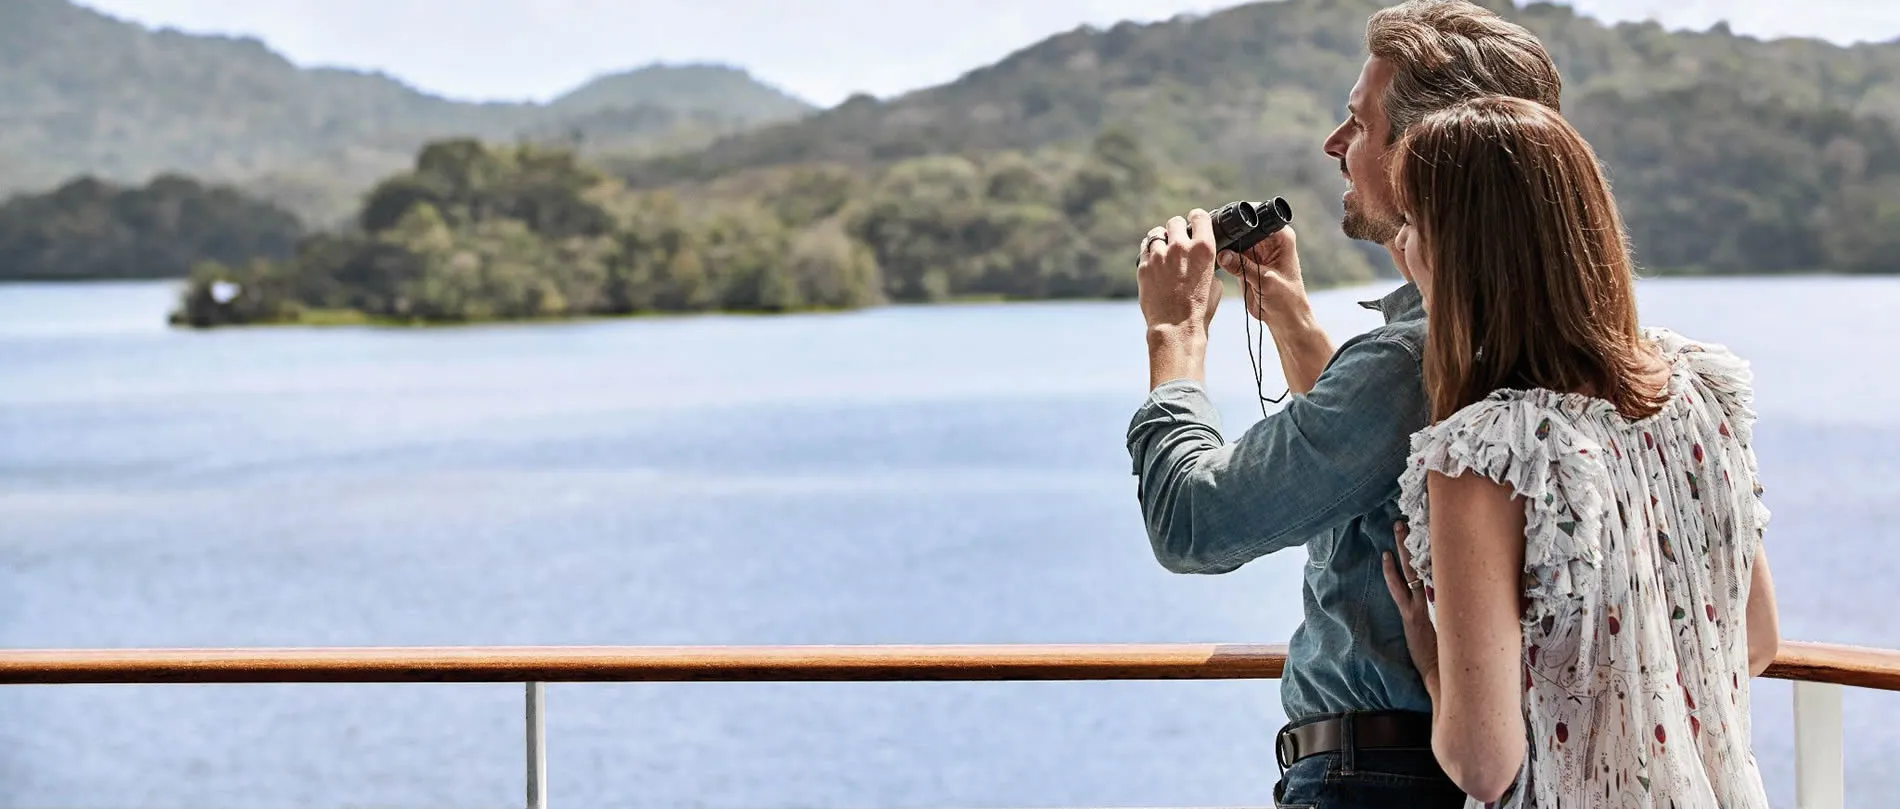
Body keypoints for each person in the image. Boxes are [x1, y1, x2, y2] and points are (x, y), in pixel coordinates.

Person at [1125, 2, 1563, 807]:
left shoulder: (1409, 361)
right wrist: (1292, 320)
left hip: (1380, 776)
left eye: (1358, 125)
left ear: (1426, 157)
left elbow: (1194, 524)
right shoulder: (1535, 335)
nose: (1333, 145)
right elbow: (1370, 459)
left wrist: (1175, 333)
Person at [1377, 95, 1781, 807]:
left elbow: (1483, 762)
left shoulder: (1486, 455)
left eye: (1412, 224)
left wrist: (1431, 655)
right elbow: (1754, 641)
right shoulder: (1702, 391)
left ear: (1464, 251)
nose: (1402, 246)